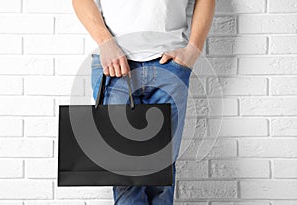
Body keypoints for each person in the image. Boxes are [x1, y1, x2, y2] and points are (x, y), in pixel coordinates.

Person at [72, 0, 215, 204]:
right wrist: (106, 44)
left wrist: (192, 50)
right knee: (123, 173)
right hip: (114, 65)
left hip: (169, 64)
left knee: (161, 174)